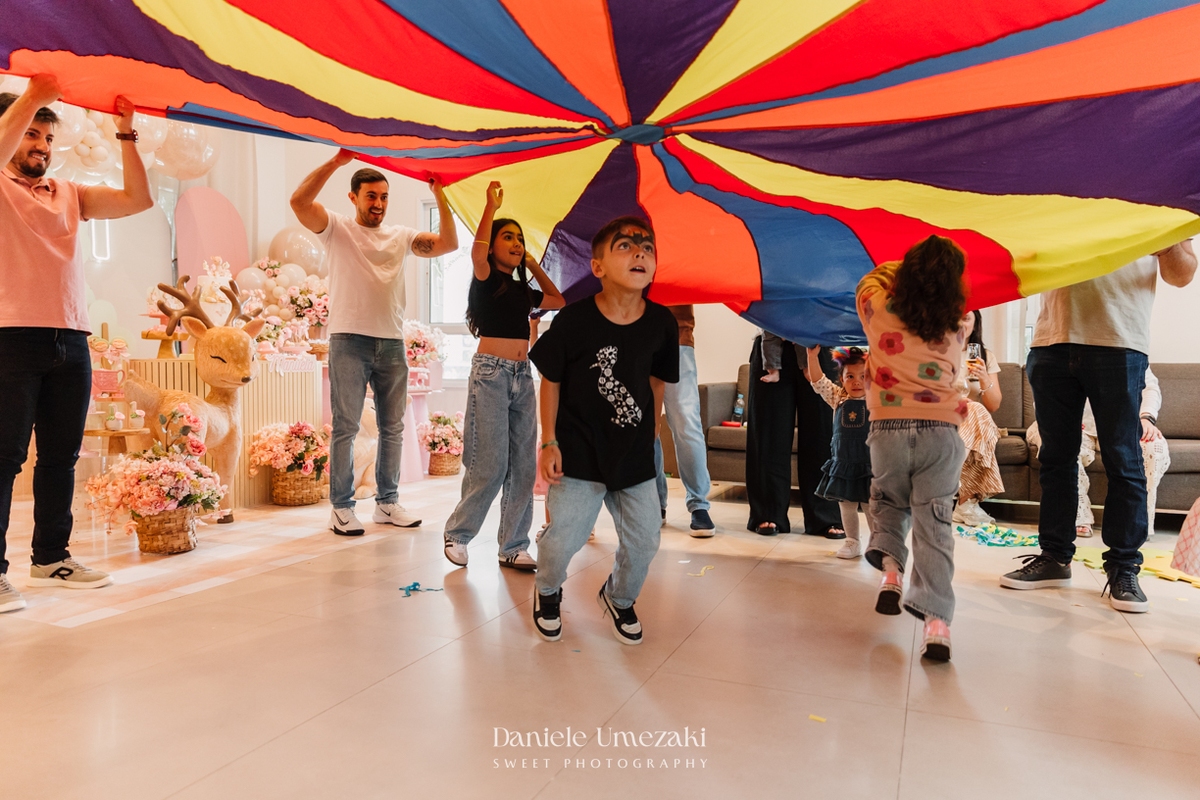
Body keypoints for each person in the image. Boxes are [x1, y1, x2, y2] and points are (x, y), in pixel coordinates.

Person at [0, 75, 154, 613]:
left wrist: (126, 135)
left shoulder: (69, 193)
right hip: (10, 338)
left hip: (72, 337)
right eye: (30, 137)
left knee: (61, 457)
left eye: (47, 140)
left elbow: (138, 198)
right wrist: (33, 98)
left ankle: (51, 558)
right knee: (5, 457)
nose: (40, 147)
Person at [1001, 241, 1195, 613]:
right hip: (1051, 340)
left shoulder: (1158, 195)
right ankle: (1055, 557)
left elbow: (1182, 274)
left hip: (1119, 341)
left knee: (1125, 460)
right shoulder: (1058, 187)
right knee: (1057, 458)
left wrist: (1167, 241)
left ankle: (1123, 566)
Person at [528, 216, 678, 645]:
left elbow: (656, 380)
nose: (640, 253)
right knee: (564, 538)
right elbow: (551, 379)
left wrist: (651, 430)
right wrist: (549, 441)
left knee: (646, 539)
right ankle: (547, 590)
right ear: (597, 267)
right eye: (626, 246)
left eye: (647, 247)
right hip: (577, 450)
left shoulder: (662, 323)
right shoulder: (574, 321)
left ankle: (618, 596)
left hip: (632, 454)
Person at [291, 150, 457, 536]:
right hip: (348, 340)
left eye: (383, 197)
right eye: (371, 196)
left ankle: (387, 502)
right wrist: (335, 163)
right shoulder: (336, 228)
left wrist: (440, 194)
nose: (378, 203)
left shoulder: (401, 236)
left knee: (393, 428)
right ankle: (342, 508)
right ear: (353, 197)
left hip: (392, 344)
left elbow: (447, 243)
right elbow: (299, 203)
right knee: (346, 427)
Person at [857, 235, 970, 661]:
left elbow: (869, 280)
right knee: (935, 523)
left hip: (887, 428)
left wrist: (900, 267)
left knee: (887, 501)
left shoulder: (876, 307)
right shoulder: (962, 323)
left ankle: (890, 573)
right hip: (941, 433)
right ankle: (937, 625)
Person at [442, 182, 564, 570]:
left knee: (523, 467)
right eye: (507, 238)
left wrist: (531, 263)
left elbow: (558, 300)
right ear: (493, 246)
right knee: (489, 463)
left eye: (519, 239)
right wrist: (491, 208)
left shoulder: (523, 291)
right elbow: (477, 250)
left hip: (522, 376)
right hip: (490, 375)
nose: (515, 243)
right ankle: (458, 535)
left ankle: (513, 545)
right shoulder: (485, 278)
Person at [1025, 367, 1170, 538]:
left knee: (1153, 446)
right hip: (1074, 424)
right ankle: (1078, 516)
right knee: (1055, 439)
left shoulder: (1126, 352)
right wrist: (1062, 418)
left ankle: (1135, 523)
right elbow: (1047, 391)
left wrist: (1146, 418)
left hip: (1122, 426)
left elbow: (1150, 388)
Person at [746, 331, 844, 538]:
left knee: (823, 434)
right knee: (769, 433)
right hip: (769, 342)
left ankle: (826, 515)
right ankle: (768, 512)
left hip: (819, 342)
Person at [803, 345, 873, 559]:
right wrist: (811, 357)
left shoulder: (877, 400)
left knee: (871, 506)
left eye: (863, 376)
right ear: (842, 380)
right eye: (850, 376)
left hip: (871, 463)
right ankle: (852, 541)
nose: (857, 381)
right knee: (847, 505)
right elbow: (818, 381)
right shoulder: (837, 398)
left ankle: (877, 542)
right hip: (844, 463)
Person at [653, 305, 715, 536]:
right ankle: (655, 503)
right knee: (644, 425)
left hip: (678, 338)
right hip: (634, 336)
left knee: (686, 423)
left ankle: (698, 504)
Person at [953, 310, 1005, 527]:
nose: (959, 322)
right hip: (943, 418)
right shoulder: (934, 352)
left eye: (966, 318)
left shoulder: (984, 356)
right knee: (973, 410)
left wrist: (984, 380)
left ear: (975, 324)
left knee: (977, 410)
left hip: (973, 423)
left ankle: (952, 475)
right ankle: (966, 505)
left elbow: (993, 405)